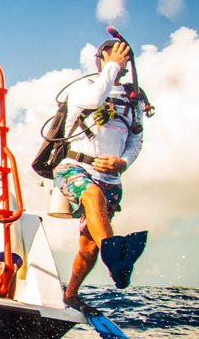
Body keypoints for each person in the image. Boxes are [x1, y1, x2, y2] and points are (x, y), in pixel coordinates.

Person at [54, 38, 147, 313]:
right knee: (92, 195)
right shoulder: (83, 88)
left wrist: (123, 162)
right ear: (101, 60)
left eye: (122, 57)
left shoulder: (133, 99)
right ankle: (117, 258)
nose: (118, 60)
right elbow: (95, 100)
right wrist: (112, 67)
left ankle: (71, 294)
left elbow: (136, 139)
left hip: (111, 179)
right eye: (111, 56)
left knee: (89, 247)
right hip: (74, 168)